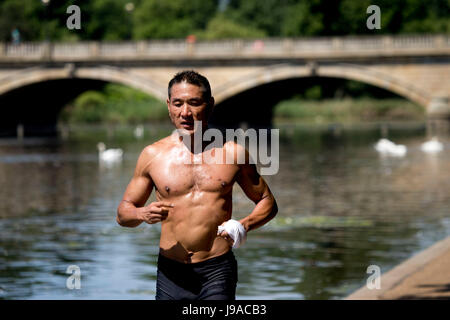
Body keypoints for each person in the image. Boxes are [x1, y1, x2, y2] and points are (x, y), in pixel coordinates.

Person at [116, 70, 278, 300]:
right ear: (168, 106)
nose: (185, 112)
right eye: (178, 103)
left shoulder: (232, 153)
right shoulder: (152, 155)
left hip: (217, 269)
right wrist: (141, 213)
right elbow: (123, 214)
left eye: (194, 103)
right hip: (170, 272)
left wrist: (243, 225)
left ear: (210, 105)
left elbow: (267, 202)